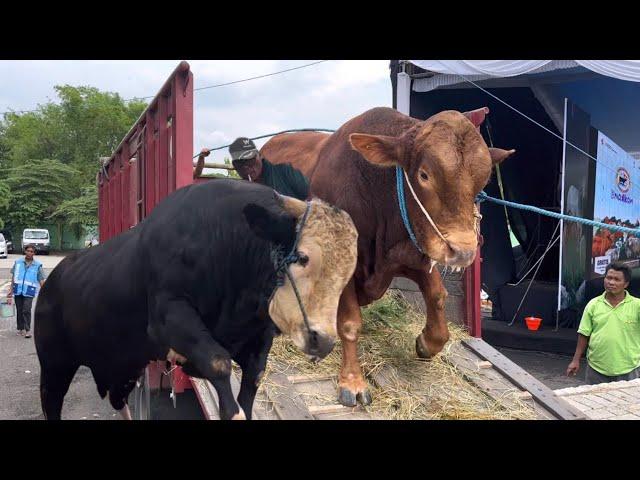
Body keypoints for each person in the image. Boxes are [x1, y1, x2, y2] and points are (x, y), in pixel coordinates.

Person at [566, 262, 640, 384]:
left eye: (617, 279)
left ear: (626, 284)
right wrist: (575, 360)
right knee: (594, 402)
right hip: (596, 370)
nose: (611, 282)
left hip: (629, 369)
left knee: (626, 402)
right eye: (608, 278)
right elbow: (584, 334)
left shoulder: (637, 306)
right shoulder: (593, 305)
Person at [197, 137, 310, 201]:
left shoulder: (285, 170)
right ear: (235, 167)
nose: (248, 167)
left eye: (251, 160)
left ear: (259, 156)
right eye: (241, 164)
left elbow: (311, 200)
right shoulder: (242, 189)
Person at [6, 244, 47, 338]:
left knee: (26, 310)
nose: (29, 253)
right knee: (19, 310)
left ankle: (27, 330)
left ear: (34, 253)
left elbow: (41, 280)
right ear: (25, 251)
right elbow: (14, 277)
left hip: (29, 291)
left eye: (31, 251)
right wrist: (10, 289)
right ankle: (21, 329)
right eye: (28, 251)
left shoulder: (37, 266)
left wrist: (45, 293)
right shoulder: (18, 262)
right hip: (17, 290)